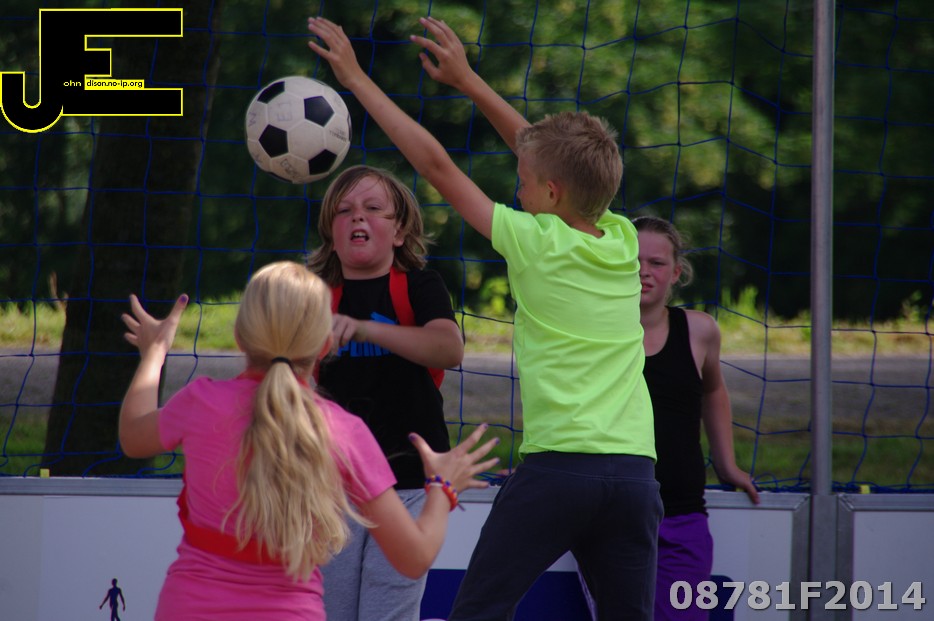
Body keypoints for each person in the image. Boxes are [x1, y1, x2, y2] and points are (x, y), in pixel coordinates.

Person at [307, 16, 661, 621]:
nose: (517, 190)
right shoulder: (622, 237)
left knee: (476, 612)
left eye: (523, 183)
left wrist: (357, 80)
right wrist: (468, 81)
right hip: (635, 477)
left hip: (559, 471)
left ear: (551, 194)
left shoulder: (534, 241)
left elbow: (436, 166)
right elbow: (548, 158)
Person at [117, 261, 498, 621]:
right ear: (325, 345)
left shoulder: (200, 401)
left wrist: (154, 354)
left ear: (239, 337)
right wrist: (442, 488)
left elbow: (133, 437)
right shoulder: (342, 430)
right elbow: (413, 558)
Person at [307, 165, 464, 621]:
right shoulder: (313, 296)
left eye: (373, 208)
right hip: (332, 489)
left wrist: (365, 329)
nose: (358, 217)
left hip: (409, 483)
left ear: (399, 232)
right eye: (344, 211)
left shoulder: (420, 285)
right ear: (331, 234)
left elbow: (449, 348)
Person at [627, 215, 761, 620]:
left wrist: (727, 464)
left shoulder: (699, 330)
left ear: (676, 273)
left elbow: (713, 390)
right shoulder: (595, 333)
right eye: (632, 262)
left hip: (683, 512)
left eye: (656, 263)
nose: (644, 272)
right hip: (615, 512)